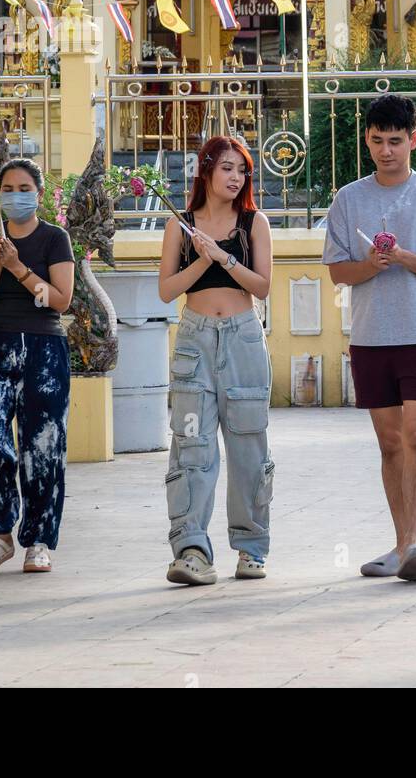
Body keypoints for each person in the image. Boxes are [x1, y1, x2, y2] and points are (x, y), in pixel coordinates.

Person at [322, 94, 416, 583]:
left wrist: (404, 258)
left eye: (396, 141)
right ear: (367, 140)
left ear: (415, 140)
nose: (387, 150)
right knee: (389, 444)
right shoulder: (348, 199)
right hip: (370, 337)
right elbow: (338, 274)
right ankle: (400, 541)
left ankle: (414, 542)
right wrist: (370, 266)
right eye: (378, 141)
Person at [157, 135, 273, 586]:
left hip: (243, 336)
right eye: (227, 167)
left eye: (242, 170)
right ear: (206, 171)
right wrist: (199, 259)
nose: (236, 177)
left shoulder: (253, 222)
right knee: (192, 445)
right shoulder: (180, 225)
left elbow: (261, 286)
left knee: (248, 443)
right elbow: (167, 290)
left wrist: (222, 256)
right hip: (194, 338)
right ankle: (190, 549)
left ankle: (251, 547)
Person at [0, 158, 75, 574]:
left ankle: (39, 541)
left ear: (39, 194)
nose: (15, 196)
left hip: (45, 347)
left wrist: (19, 268)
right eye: (7, 189)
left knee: (43, 445)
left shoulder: (54, 238)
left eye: (23, 188)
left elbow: (61, 299)